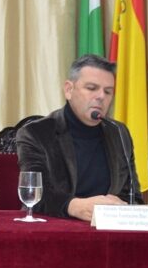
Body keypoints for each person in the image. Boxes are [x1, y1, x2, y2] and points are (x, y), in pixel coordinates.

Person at [15, 54, 141, 221]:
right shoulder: (37, 133)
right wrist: (74, 206)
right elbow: (35, 194)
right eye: (91, 88)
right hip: (55, 232)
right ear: (69, 90)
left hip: (107, 232)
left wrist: (121, 206)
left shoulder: (118, 132)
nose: (101, 96)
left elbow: (133, 196)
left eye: (108, 91)